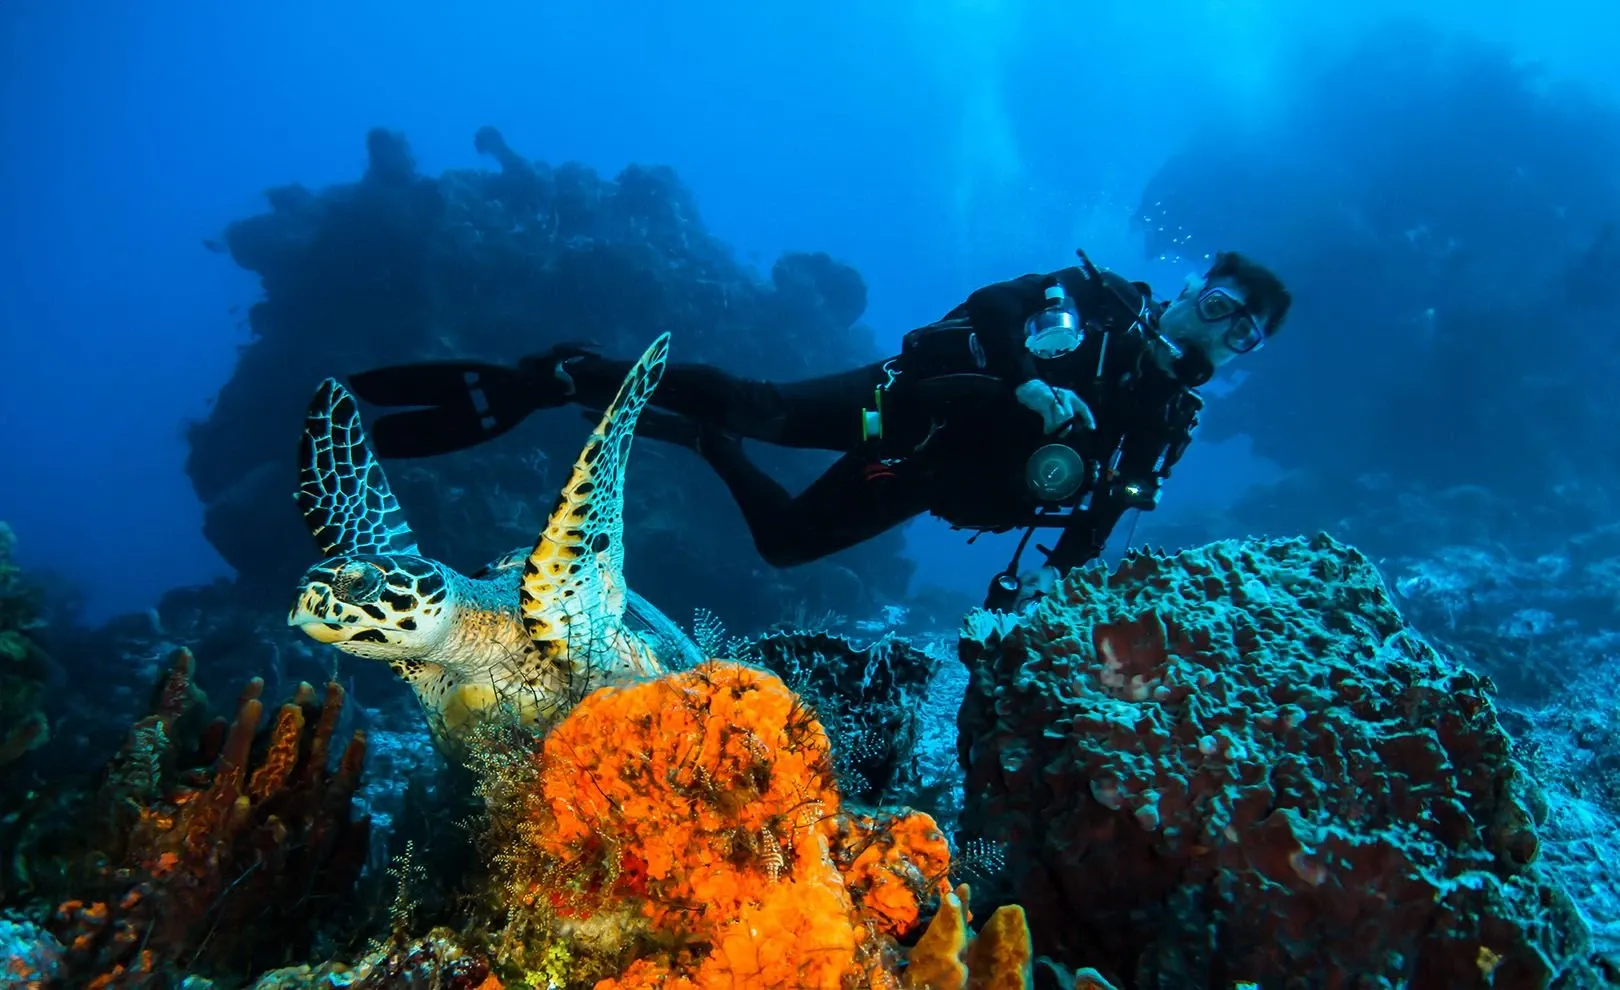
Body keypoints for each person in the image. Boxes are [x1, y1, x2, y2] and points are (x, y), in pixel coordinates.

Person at [348, 249, 1291, 611]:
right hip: (904, 402)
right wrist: (1024, 386)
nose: (1225, 330)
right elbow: (991, 305)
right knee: (766, 406)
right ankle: (568, 373)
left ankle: (706, 444)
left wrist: (1055, 609)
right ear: (1189, 291)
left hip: (921, 479)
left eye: (1246, 332)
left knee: (787, 546)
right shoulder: (1094, 303)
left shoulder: (1165, 424)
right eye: (1221, 304)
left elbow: (1092, 525)